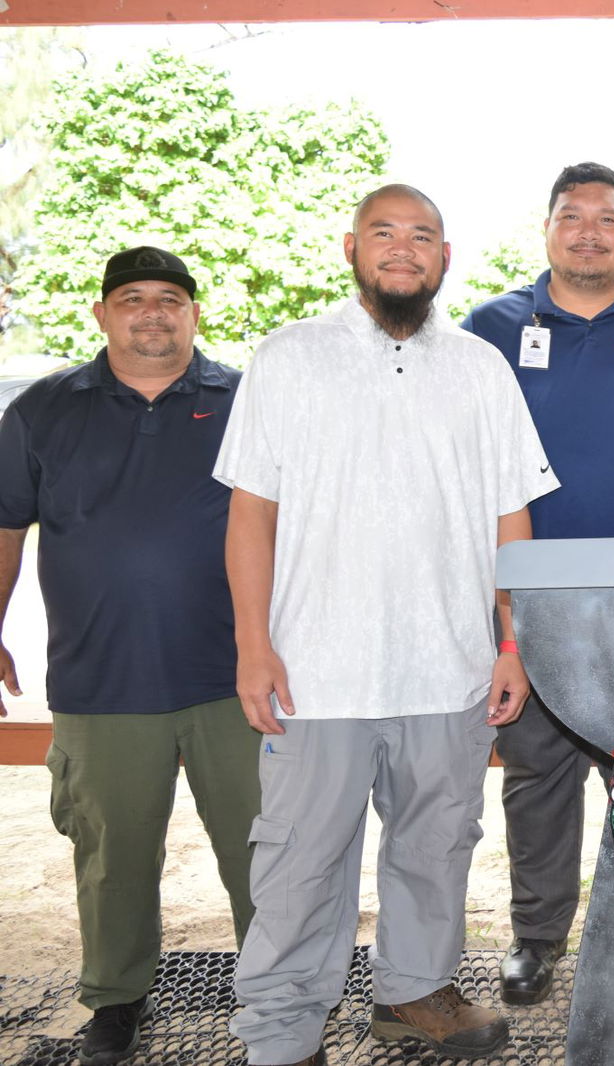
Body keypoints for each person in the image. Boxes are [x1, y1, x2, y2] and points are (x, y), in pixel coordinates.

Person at [218, 184, 557, 1066]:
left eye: (422, 235)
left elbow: (508, 518)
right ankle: (284, 1030)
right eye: (383, 233)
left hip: (447, 667)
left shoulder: (482, 368)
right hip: (315, 672)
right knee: (299, 866)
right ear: (350, 249)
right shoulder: (290, 356)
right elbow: (250, 513)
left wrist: (512, 641)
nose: (403, 248)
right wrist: (254, 644)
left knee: (438, 847)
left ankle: (412, 992)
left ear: (444, 258)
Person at [0, 246, 259, 1066]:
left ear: (194, 312)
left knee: (266, 847)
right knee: (108, 855)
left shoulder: (250, 401)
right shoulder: (41, 411)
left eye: (171, 298)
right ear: (102, 313)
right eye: (134, 299)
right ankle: (115, 1001)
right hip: (101, 680)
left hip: (239, 679)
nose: (153, 313)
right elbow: (6, 529)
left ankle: (279, 989)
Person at [459, 162, 614, 1006]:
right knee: (537, 775)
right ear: (547, 229)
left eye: (607, 217)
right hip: (531, 599)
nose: (589, 230)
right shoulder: (490, 325)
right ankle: (536, 938)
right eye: (572, 216)